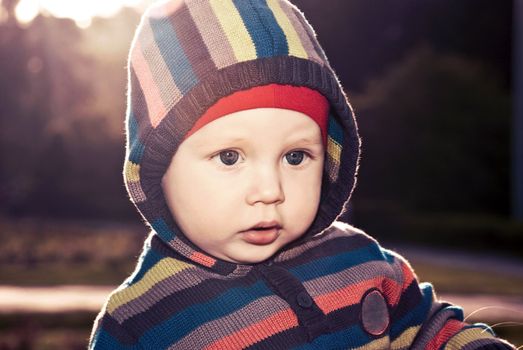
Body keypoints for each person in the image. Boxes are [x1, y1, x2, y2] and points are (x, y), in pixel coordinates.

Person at [89, 0, 516, 348]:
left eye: (295, 157)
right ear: (157, 168)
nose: (270, 191)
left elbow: (430, 330)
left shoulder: (361, 261)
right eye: (230, 157)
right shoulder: (139, 326)